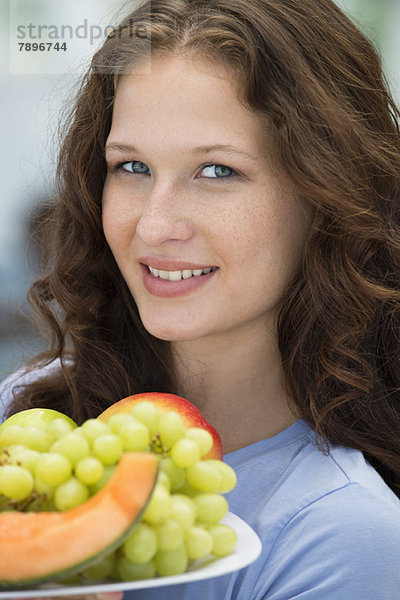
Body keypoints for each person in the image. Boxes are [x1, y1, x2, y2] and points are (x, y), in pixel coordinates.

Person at [1, 0, 400, 598]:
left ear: (328, 199)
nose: (154, 226)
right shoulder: (24, 408)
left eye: (216, 172)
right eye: (131, 165)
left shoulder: (341, 534)